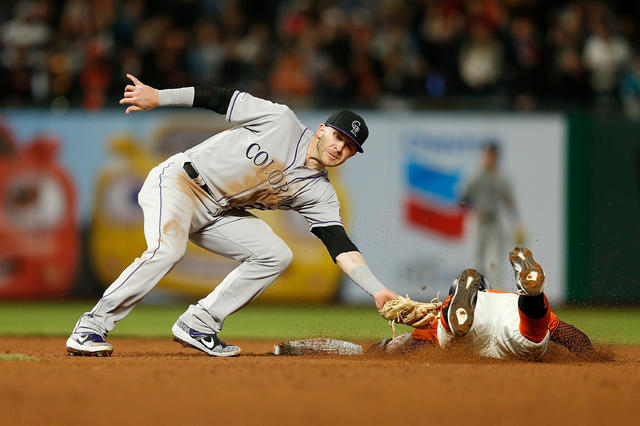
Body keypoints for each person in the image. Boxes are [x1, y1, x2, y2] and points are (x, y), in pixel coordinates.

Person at [66, 74, 399, 357]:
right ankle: (90, 328)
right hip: (180, 182)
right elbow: (219, 98)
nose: (341, 148)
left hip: (217, 211)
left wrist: (378, 291)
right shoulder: (280, 120)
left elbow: (340, 246)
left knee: (276, 255)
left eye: (350, 146)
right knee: (168, 250)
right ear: (322, 130)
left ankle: (199, 324)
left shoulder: (320, 193)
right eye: (339, 137)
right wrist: (158, 97)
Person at [384, 246, 599, 360]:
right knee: (532, 335)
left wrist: (384, 347)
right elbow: (573, 337)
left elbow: (402, 348)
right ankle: (531, 296)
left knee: (447, 334)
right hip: (512, 314)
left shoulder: (436, 316)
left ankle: (453, 317)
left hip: (471, 324)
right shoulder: (502, 297)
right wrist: (589, 356)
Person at [461, 142, 525, 286]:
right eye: (488, 154)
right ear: (484, 155)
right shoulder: (474, 176)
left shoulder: (501, 177)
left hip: (495, 222)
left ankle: (494, 297)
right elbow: (462, 200)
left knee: (494, 263)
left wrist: (517, 224)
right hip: (477, 222)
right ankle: (475, 298)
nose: (490, 158)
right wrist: (475, 209)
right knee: (476, 263)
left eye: (493, 155)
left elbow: (509, 201)